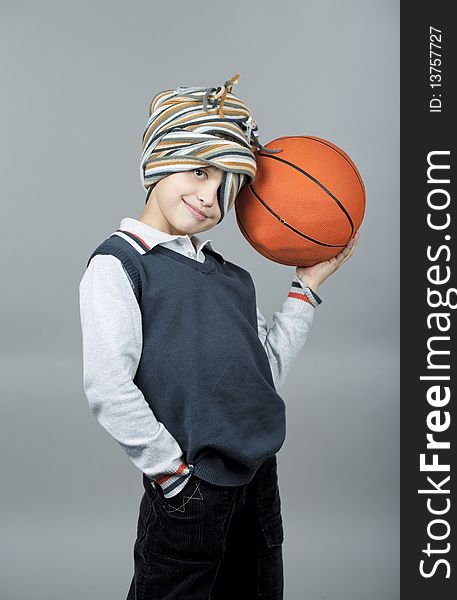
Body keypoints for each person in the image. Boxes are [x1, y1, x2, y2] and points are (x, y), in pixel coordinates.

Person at [78, 73, 359, 600]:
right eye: (201, 171)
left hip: (258, 480)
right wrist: (172, 475)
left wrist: (305, 289)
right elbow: (108, 386)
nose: (209, 196)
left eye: (226, 186)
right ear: (161, 159)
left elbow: (263, 373)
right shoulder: (120, 266)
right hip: (191, 489)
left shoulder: (233, 278)